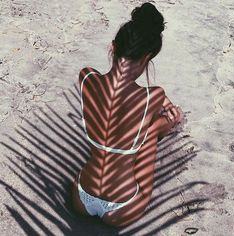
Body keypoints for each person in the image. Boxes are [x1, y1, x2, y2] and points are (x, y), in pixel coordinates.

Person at [72, 2, 184, 227]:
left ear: (113, 47)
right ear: (146, 59)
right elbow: (165, 110)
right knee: (152, 130)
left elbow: (108, 83)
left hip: (81, 196)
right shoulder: (154, 96)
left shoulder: (86, 77)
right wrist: (171, 119)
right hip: (122, 207)